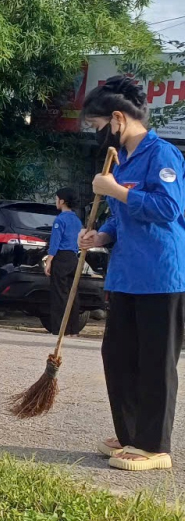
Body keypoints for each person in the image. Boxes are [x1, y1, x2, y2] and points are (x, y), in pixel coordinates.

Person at [78, 75, 185, 472]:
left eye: (97, 126)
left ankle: (155, 447)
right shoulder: (121, 160)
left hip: (161, 274)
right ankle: (131, 436)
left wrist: (116, 191)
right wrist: (101, 236)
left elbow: (168, 209)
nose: (97, 134)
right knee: (118, 355)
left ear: (117, 119)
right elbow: (122, 222)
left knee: (156, 361)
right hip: (125, 275)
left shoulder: (163, 155)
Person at [44, 187, 82, 336]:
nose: (56, 201)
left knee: (59, 293)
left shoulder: (60, 220)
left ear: (62, 201)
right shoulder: (77, 220)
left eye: (56, 198)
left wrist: (49, 260)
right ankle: (74, 329)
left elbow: (55, 242)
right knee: (73, 293)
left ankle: (60, 328)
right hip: (74, 257)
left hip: (61, 257)